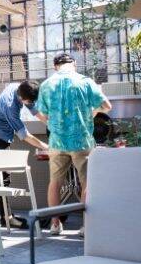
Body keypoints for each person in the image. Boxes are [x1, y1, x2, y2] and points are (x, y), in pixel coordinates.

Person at [36, 53, 111, 236]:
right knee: (87, 183)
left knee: (55, 183)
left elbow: (41, 113)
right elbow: (107, 106)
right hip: (82, 141)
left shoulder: (46, 84)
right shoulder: (85, 82)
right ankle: (86, 226)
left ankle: (55, 224)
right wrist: (91, 113)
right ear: (74, 64)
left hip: (57, 142)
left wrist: (54, 124)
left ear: (55, 66)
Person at [0, 81, 48, 229]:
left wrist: (51, 123)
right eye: (28, 101)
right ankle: (6, 218)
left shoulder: (22, 88)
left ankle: (6, 217)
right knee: (3, 177)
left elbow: (34, 110)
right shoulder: (10, 106)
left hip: (5, 132)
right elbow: (24, 135)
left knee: (4, 176)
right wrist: (46, 146)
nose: (30, 104)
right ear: (21, 98)